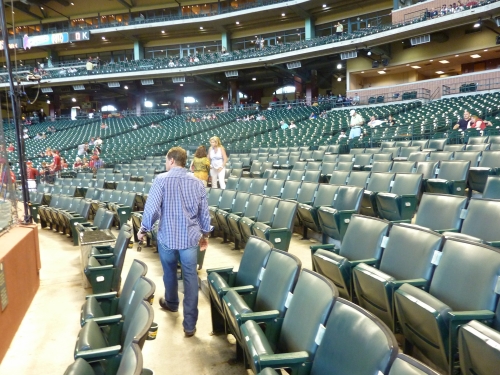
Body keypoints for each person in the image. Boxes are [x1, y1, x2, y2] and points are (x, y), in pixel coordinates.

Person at [137, 147, 212, 337]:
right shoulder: (197, 183)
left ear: (171, 161)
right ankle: (189, 325)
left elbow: (152, 208)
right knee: (190, 278)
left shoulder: (161, 180)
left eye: (165, 160)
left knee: (169, 272)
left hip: (167, 238)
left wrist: (143, 229)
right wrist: (205, 235)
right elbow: (204, 213)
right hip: (189, 239)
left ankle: (171, 303)